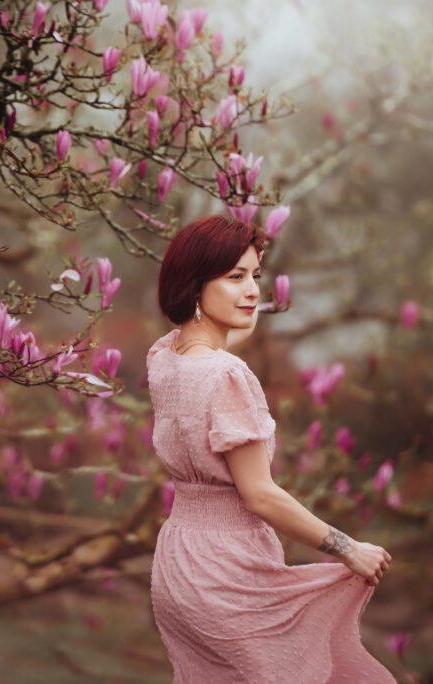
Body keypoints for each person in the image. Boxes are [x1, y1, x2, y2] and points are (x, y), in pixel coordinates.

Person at [147, 215, 395, 683]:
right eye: (235, 277)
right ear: (195, 284)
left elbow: (216, 340)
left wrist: (236, 306)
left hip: (180, 564)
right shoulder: (227, 377)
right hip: (228, 572)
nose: (253, 291)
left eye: (257, 276)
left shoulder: (166, 357)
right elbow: (259, 495)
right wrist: (348, 548)